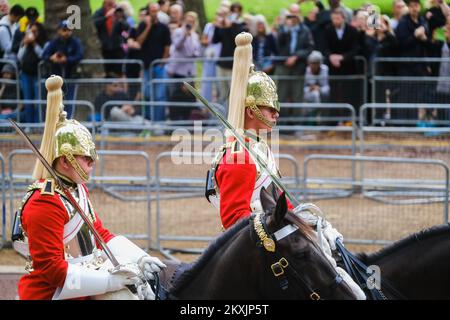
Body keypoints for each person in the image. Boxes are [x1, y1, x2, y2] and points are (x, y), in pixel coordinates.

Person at [205, 32, 365, 299]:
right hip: (257, 255)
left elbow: (279, 202)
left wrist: (305, 224)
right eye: (269, 109)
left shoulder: (259, 148)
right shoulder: (239, 157)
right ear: (250, 110)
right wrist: (285, 234)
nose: (276, 114)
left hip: (274, 240)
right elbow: (234, 223)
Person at [14, 75, 165, 300]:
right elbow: (54, 272)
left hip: (85, 281)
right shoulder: (44, 202)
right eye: (86, 158)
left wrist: (139, 258)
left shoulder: (76, 188)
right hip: (54, 293)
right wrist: (109, 282)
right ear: (65, 161)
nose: (92, 164)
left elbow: (100, 235)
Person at [42, 19, 83, 119]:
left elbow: (79, 55)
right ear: (59, 31)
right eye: (64, 30)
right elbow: (44, 55)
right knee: (55, 103)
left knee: (69, 103)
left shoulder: (75, 42)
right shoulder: (54, 43)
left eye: (69, 30)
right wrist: (52, 58)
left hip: (71, 77)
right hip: (56, 78)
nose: (66, 32)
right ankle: (55, 124)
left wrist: (67, 59)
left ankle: (68, 123)